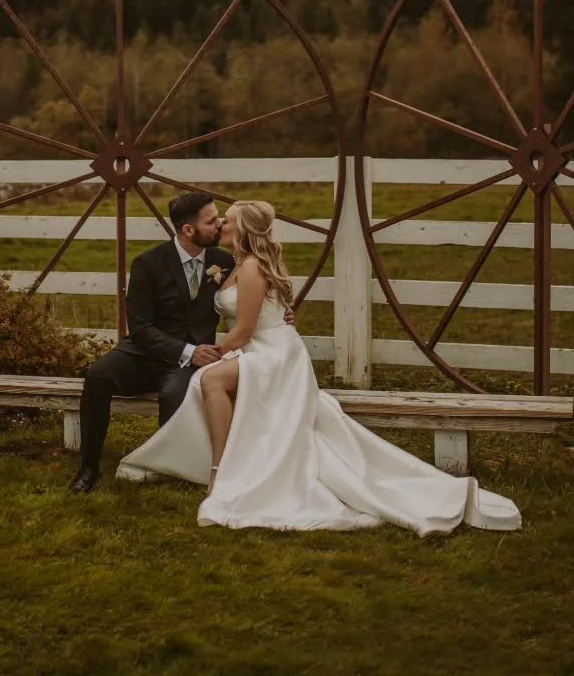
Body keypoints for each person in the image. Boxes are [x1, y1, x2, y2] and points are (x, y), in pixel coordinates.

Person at [116, 199, 522, 536]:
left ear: (241, 231)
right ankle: (228, 460)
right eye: (218, 220)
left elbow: (243, 330)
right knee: (210, 381)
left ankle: (221, 469)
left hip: (272, 351)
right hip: (262, 344)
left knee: (209, 380)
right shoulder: (228, 262)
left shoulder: (252, 266)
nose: (221, 223)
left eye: (228, 220)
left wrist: (215, 351)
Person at [68, 192, 238, 493]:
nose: (220, 224)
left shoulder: (223, 261)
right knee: (98, 375)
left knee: (174, 394)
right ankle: (89, 467)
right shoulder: (148, 263)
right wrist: (188, 352)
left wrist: (278, 310)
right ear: (188, 230)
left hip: (189, 363)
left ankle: (171, 468)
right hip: (143, 353)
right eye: (212, 221)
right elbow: (141, 327)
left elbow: (248, 292)